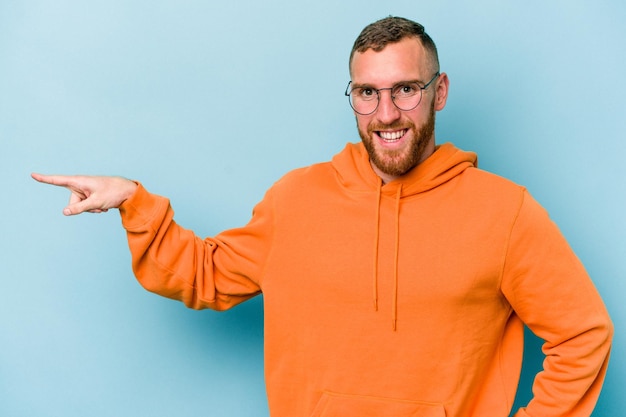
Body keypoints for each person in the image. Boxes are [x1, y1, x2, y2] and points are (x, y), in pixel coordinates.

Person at [32, 16, 613, 417]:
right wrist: (134, 199)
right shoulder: (297, 198)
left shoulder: (503, 211)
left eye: (406, 89)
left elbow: (583, 333)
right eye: (367, 93)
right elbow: (204, 274)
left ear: (439, 92)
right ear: (353, 96)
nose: (386, 113)